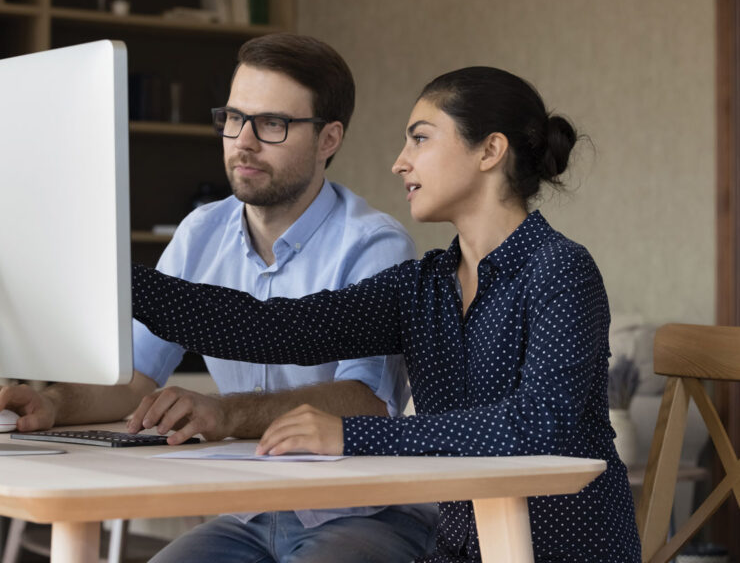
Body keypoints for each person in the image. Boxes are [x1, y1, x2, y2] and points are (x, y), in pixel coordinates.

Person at [132, 66, 642, 562]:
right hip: (461, 548)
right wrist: (118, 279)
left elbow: (540, 424)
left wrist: (350, 434)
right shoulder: (423, 285)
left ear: (490, 150)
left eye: (420, 139)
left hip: (565, 549)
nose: (400, 162)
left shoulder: (560, 268)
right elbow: (273, 328)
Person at [0, 34, 438, 563]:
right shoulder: (200, 232)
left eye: (272, 124)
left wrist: (226, 414)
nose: (243, 141)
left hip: (361, 511)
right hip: (249, 512)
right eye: (234, 118)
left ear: (329, 139)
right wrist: (53, 404)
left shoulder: (374, 245)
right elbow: (135, 376)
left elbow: (368, 403)